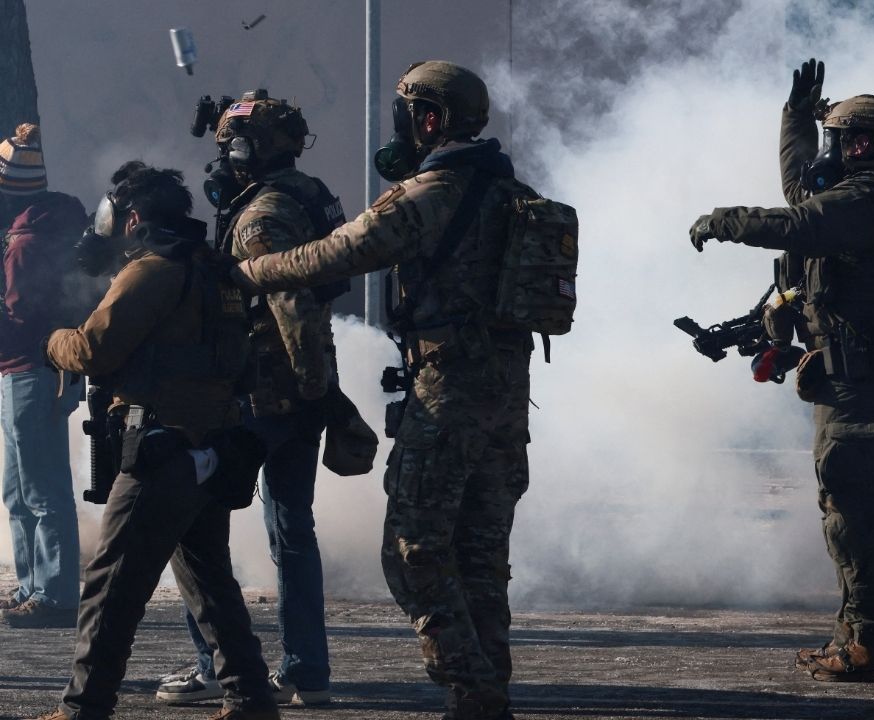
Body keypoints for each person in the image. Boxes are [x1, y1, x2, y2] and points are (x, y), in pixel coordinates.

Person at [230, 61, 540, 720]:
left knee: (412, 552)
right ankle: (485, 697)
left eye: (404, 114)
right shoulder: (512, 190)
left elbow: (338, 253)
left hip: (447, 392)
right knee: (481, 557)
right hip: (509, 397)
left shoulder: (430, 194)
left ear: (429, 120)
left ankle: (472, 688)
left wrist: (254, 270)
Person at [688, 59, 874, 682]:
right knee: (844, 508)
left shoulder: (867, 201)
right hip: (856, 378)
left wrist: (723, 220)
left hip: (858, 382)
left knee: (851, 515)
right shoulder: (863, 198)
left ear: (870, 145)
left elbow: (796, 221)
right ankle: (853, 636)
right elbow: (802, 190)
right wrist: (796, 116)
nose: (834, 151)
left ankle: (871, 641)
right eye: (833, 139)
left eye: (843, 139)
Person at [28, 161, 279, 720]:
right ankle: (250, 699)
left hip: (162, 451)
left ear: (133, 218)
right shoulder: (215, 269)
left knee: (110, 586)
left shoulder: (152, 271)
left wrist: (52, 342)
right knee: (210, 585)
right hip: (213, 448)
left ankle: (83, 708)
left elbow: (94, 350)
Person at [155, 90, 349, 707]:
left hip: (258, 394)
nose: (223, 160)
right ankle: (307, 672)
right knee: (293, 532)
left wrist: (310, 388)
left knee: (198, 531)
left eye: (229, 147)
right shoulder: (309, 195)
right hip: (301, 393)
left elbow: (289, 302)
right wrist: (320, 392)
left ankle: (217, 664)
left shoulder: (261, 216)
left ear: (249, 149)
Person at [0, 123, 86, 629]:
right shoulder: (50, 227)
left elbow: (18, 315)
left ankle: (54, 594)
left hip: (30, 371)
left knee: (40, 489)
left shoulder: (24, 243)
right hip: (38, 370)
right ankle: (33, 585)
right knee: (20, 490)